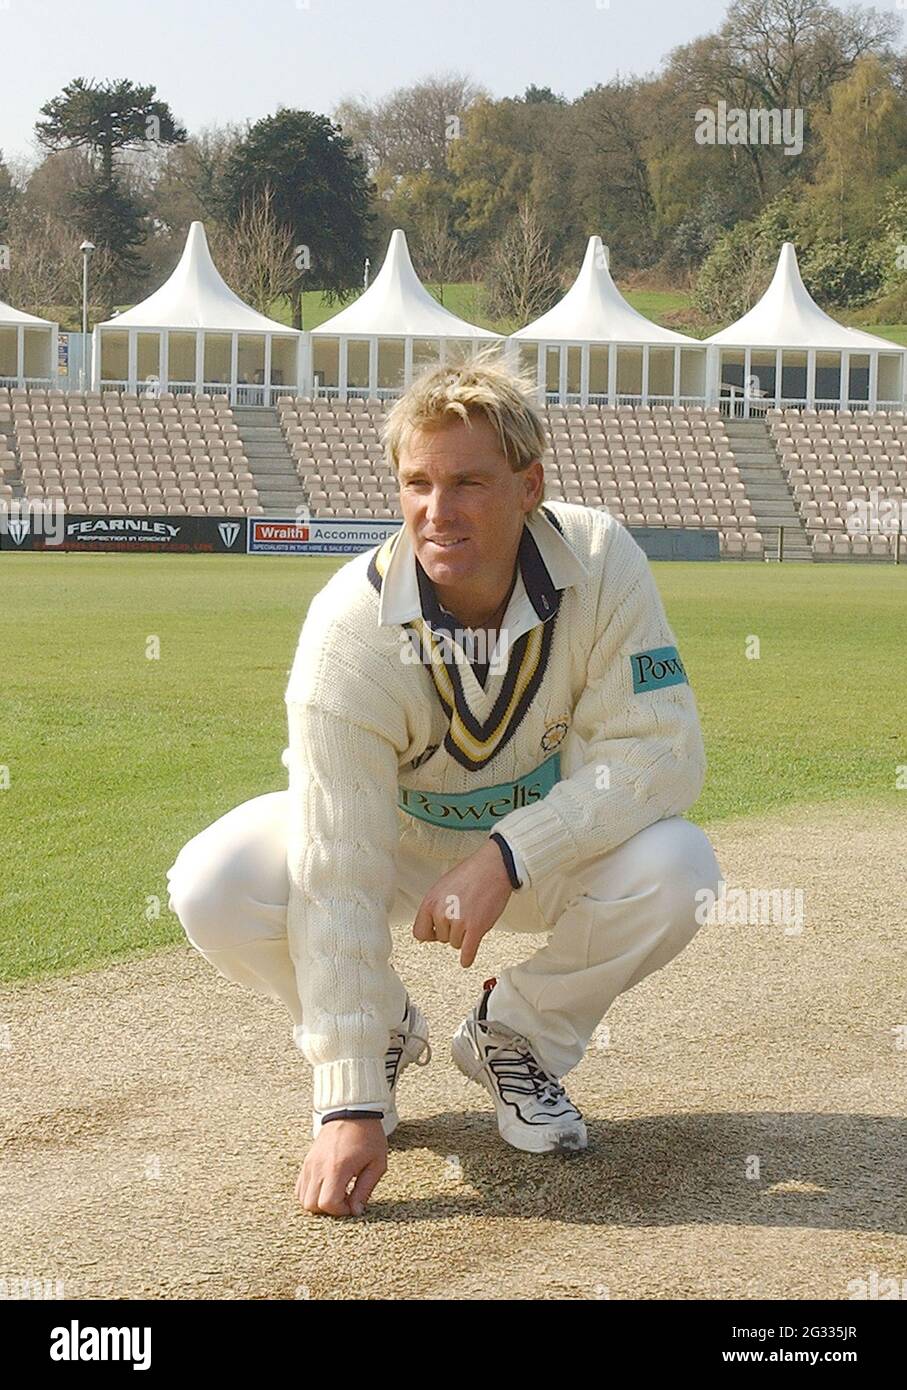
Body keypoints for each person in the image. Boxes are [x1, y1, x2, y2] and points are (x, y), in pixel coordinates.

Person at [167, 350, 723, 1219]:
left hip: (537, 865)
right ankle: (384, 1031)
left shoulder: (601, 559)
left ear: (528, 485)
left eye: (467, 481)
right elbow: (339, 863)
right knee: (214, 882)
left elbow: (662, 751)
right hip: (398, 857)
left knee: (680, 867)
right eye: (417, 482)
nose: (438, 510)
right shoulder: (347, 632)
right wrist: (347, 1099)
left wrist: (509, 854)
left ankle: (517, 1035)